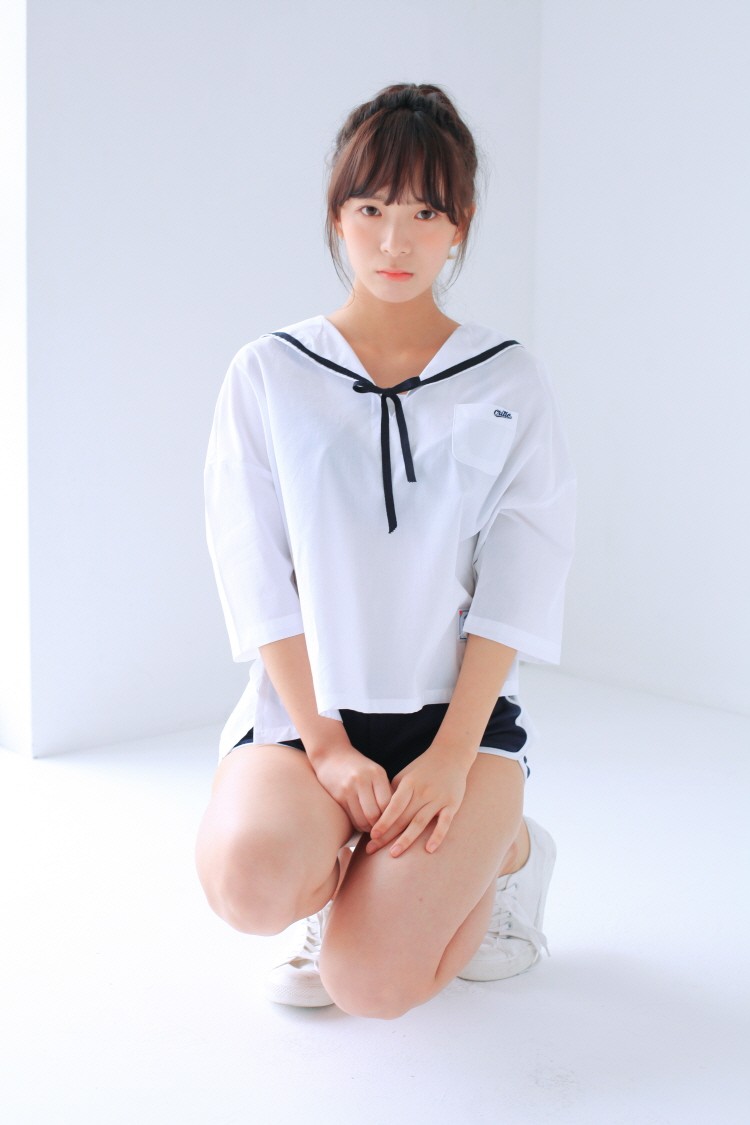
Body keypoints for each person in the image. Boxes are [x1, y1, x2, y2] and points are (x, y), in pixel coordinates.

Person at [195, 83, 576, 1019]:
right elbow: (255, 573)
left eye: (425, 213)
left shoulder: (508, 378)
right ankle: (337, 878)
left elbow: (520, 580)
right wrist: (326, 746)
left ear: (461, 224)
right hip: (308, 719)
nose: (395, 241)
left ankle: (511, 852)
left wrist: (449, 756)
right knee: (247, 880)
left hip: (455, 728)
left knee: (371, 985)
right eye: (370, 209)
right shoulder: (270, 372)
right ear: (337, 215)